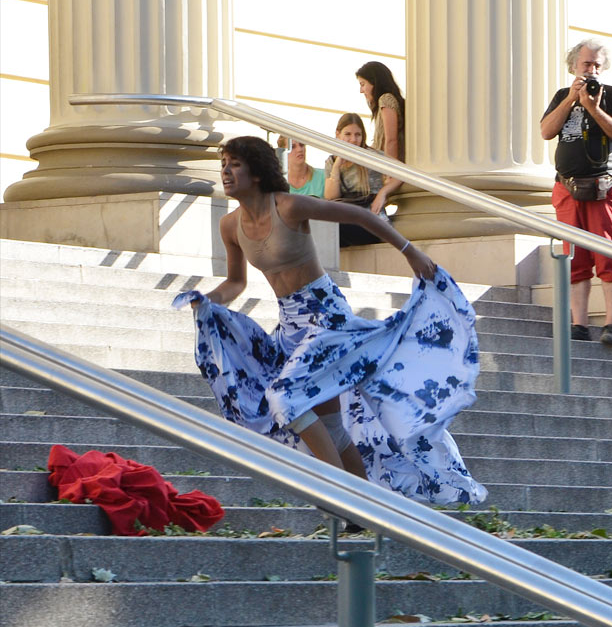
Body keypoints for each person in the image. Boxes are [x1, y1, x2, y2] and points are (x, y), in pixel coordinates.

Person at [173, 136, 486, 506]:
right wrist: (205, 302)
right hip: (291, 325)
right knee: (334, 428)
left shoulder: (288, 207)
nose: (225, 171)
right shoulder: (230, 226)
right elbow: (236, 283)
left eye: (235, 164)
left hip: (327, 317)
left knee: (284, 398)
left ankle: (340, 497)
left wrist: (410, 252)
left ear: (256, 172)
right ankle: (366, 513)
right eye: (223, 163)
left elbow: (363, 215)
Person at [540, 38, 612, 346]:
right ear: (573, 67)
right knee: (574, 256)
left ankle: (610, 324)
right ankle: (579, 325)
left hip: (602, 187)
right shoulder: (561, 97)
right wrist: (571, 99)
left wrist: (593, 108)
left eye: (596, 65)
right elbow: (546, 131)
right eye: (586, 64)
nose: (591, 70)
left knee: (608, 254)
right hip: (567, 186)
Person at [323, 112, 385, 247]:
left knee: (332, 228)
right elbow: (331, 196)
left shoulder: (372, 156)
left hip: (371, 220)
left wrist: (382, 194)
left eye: (358, 135)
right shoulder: (331, 161)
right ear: (338, 134)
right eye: (348, 134)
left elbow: (400, 174)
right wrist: (337, 165)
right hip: (347, 217)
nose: (353, 139)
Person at [355, 61, 406, 215]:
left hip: (390, 165)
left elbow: (391, 139)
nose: (361, 90)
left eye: (363, 84)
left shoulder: (385, 100)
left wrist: (389, 171)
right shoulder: (383, 102)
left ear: (374, 82)